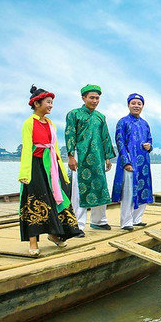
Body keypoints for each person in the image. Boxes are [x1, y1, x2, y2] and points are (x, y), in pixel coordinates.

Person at [19, 85, 83, 256]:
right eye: (48, 102)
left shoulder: (50, 123)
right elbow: (27, 149)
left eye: (52, 102)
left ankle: (55, 234)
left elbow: (53, 148)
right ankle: (33, 242)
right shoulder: (29, 123)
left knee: (57, 198)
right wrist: (25, 173)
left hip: (52, 167)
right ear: (37, 103)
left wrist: (62, 172)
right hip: (36, 165)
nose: (51, 105)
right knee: (35, 200)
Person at [65, 84, 116, 233]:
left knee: (100, 188)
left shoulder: (100, 117)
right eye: (91, 97)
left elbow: (105, 137)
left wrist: (108, 157)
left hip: (98, 157)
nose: (94, 101)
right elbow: (69, 135)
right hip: (81, 157)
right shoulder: (74, 114)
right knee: (79, 191)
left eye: (97, 98)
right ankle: (78, 224)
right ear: (83, 98)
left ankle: (99, 221)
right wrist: (71, 156)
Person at [112, 93, 153, 231]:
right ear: (128, 105)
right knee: (128, 191)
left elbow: (150, 140)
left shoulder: (145, 124)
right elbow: (120, 143)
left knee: (144, 190)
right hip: (130, 162)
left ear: (142, 106)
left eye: (139, 103)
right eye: (133, 103)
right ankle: (126, 221)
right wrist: (126, 162)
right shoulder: (122, 122)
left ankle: (137, 218)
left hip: (144, 163)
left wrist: (149, 146)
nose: (136, 106)